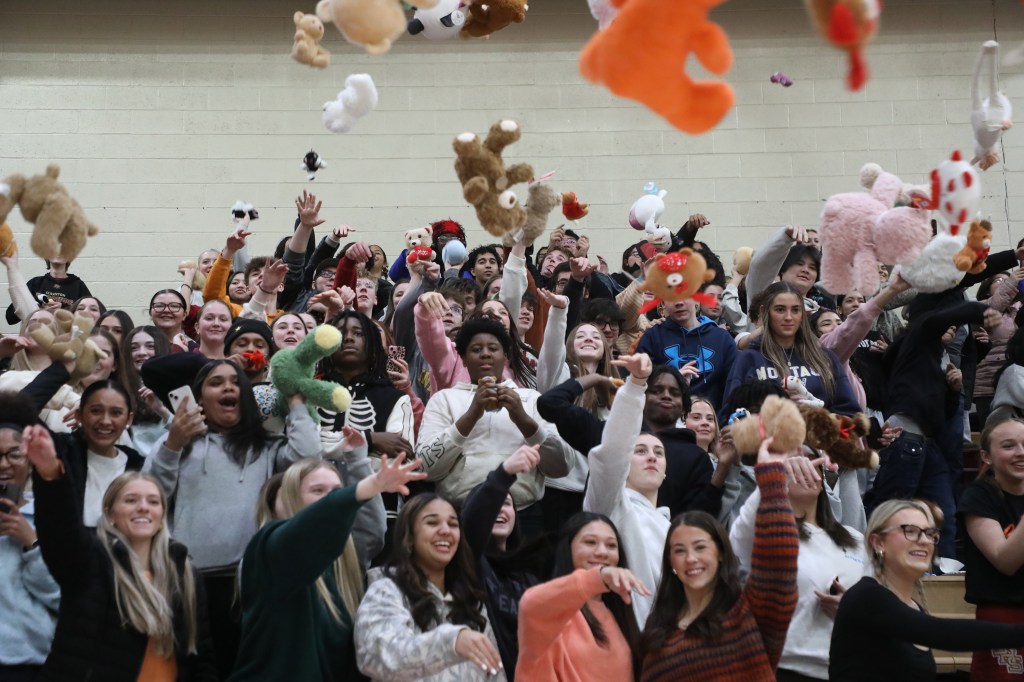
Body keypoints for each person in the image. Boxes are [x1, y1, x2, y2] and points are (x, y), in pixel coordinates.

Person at [144, 359, 321, 677]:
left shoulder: (267, 448)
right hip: (187, 583)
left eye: (236, 382)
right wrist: (172, 444)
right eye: (215, 382)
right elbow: (149, 496)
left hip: (248, 584)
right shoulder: (176, 443)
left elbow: (308, 459)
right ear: (199, 399)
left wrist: (295, 403)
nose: (228, 387)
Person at [23, 426, 217, 681]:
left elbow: (201, 658)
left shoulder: (184, 571)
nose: (143, 508)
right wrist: (50, 473)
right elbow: (59, 530)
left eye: (153, 501)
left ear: (161, 516)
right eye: (131, 500)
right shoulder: (90, 559)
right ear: (110, 514)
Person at [229, 440, 424, 682]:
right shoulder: (267, 549)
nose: (331, 498)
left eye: (336, 490)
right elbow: (314, 523)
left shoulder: (345, 563)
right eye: (317, 490)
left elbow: (372, 529)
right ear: (291, 498)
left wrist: (360, 465)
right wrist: (371, 485)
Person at [638, 437, 799, 682]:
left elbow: (778, 568)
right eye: (679, 550)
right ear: (670, 561)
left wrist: (773, 478)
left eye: (700, 547)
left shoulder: (748, 613)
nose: (691, 558)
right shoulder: (656, 631)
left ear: (721, 553)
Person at [864, 299, 1001, 559]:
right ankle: (878, 571)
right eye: (948, 322)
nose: (952, 327)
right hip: (904, 437)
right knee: (892, 512)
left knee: (945, 515)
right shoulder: (917, 340)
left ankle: (943, 571)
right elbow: (934, 320)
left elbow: (946, 414)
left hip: (929, 444)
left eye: (954, 325)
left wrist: (953, 390)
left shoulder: (939, 357)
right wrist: (982, 310)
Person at [830, 499, 1024, 681]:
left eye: (930, 534)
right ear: (878, 542)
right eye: (911, 531)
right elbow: (942, 632)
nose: (924, 541)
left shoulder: (913, 606)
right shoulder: (867, 597)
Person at [416, 318, 573, 534]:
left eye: (493, 348)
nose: (485, 354)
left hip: (524, 517)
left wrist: (521, 417)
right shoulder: (444, 399)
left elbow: (562, 465)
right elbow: (424, 465)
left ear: (506, 357)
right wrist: (471, 414)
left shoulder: (531, 398)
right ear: (462, 358)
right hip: (460, 514)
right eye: (476, 349)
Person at [730, 453, 863, 681]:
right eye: (795, 465)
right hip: (785, 667)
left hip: (848, 667)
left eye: (811, 463)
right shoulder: (769, 534)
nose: (804, 469)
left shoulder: (856, 539)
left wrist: (852, 611)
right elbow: (739, 535)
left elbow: (877, 603)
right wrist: (774, 473)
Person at [354, 494, 507, 681]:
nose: (445, 530)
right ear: (409, 538)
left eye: (453, 524)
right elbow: (375, 656)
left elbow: (494, 674)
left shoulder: (471, 600)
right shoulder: (385, 590)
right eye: (432, 523)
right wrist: (451, 641)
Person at [582, 353, 671, 626]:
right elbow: (611, 454)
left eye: (658, 452)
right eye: (640, 451)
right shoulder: (613, 507)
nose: (652, 457)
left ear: (666, 471)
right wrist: (635, 386)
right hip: (630, 641)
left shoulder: (673, 525)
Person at [516, 511, 646, 681]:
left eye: (611, 545)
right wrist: (597, 577)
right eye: (590, 542)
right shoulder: (551, 609)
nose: (602, 552)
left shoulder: (619, 614)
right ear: (567, 549)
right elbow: (529, 604)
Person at [461, 446, 550, 680]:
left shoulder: (528, 574)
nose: (501, 509)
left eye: (508, 503)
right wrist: (504, 473)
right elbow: (471, 527)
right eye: (495, 502)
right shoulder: (470, 564)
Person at [20, 375, 144, 527]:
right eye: (96, 411)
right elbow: (21, 407)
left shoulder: (137, 465)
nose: (105, 421)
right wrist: (63, 370)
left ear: (129, 419)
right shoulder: (62, 450)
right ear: (79, 414)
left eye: (116, 413)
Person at [723, 282, 860, 419]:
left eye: (795, 310)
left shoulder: (824, 357)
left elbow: (850, 413)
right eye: (780, 309)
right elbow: (730, 417)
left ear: (802, 314)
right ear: (764, 312)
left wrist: (821, 420)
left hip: (819, 438)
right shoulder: (749, 359)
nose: (788, 317)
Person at [958, 417, 1024, 681]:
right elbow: (1005, 561)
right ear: (986, 455)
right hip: (1002, 617)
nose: (1021, 452)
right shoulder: (977, 497)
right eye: (1009, 446)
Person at [0, 394, 60, 680]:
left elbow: (65, 597)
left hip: (32, 661)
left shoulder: (52, 515)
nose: (4, 465)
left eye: (14, 454)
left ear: (30, 459)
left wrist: (31, 542)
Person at [635, 297, 738, 410]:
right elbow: (639, 384)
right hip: (665, 420)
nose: (679, 302)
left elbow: (734, 387)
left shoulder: (722, 339)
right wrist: (673, 380)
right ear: (663, 303)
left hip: (712, 422)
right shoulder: (652, 336)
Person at [4, 255, 91, 324]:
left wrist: (63, 309)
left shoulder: (78, 286)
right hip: (36, 341)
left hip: (65, 343)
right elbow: (10, 318)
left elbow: (91, 319)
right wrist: (35, 304)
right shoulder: (35, 283)